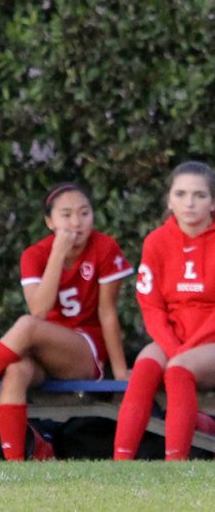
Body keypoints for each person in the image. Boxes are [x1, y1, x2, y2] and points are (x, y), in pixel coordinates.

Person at [0, 182, 133, 460]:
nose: (77, 222)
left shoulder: (104, 247)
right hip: (44, 352)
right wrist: (58, 253)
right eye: (66, 215)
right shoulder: (35, 255)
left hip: (84, 353)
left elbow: (106, 313)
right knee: (16, 371)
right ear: (49, 222)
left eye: (84, 213)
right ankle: (16, 466)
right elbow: (40, 307)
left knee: (26, 325)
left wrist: (119, 374)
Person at [114, 161, 215, 461]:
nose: (190, 203)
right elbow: (151, 306)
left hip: (209, 339)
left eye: (199, 195)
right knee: (145, 368)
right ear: (169, 200)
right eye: (181, 194)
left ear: (213, 203)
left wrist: (184, 352)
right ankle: (119, 464)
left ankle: (175, 465)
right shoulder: (156, 241)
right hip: (173, 336)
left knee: (179, 369)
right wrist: (174, 347)